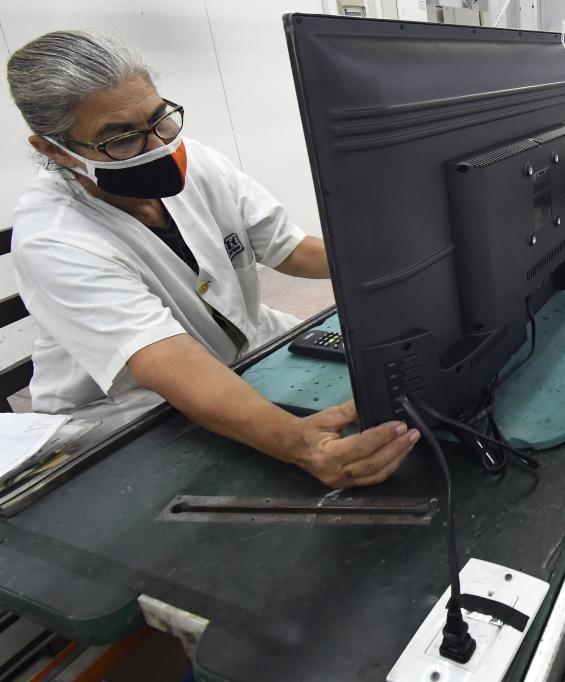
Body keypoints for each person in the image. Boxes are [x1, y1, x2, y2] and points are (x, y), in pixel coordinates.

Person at [7, 31, 418, 489]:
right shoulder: (55, 239)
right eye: (121, 139)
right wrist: (300, 444)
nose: (158, 146)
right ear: (52, 149)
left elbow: (290, 250)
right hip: (131, 416)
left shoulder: (196, 161)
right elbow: (167, 362)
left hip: (243, 352)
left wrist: (401, 255)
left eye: (160, 118)